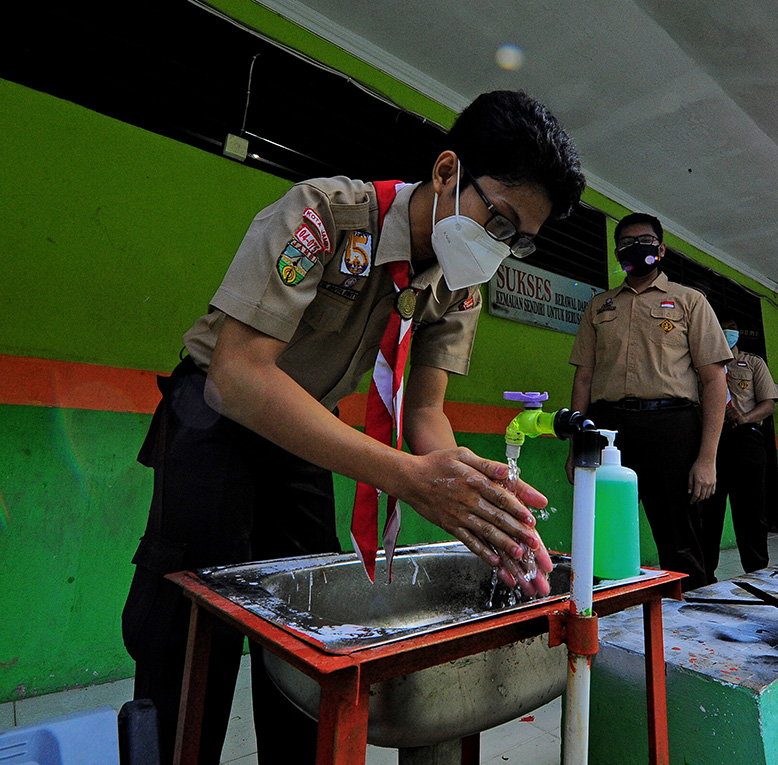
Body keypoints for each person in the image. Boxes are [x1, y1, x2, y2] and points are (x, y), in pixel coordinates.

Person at [121, 90, 585, 765]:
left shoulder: (459, 284)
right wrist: (407, 476)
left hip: (306, 434)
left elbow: (425, 412)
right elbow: (241, 373)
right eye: (501, 220)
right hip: (213, 423)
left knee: (308, 641)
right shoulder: (325, 215)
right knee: (191, 640)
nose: (500, 247)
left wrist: (476, 500)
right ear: (449, 171)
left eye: (519, 240)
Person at [566, 213, 731, 590]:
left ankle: (696, 628)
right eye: (625, 243)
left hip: (672, 429)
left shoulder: (691, 301)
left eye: (644, 241)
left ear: (661, 248)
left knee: (681, 539)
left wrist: (707, 458)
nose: (635, 248)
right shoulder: (599, 307)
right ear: (616, 252)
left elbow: (713, 381)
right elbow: (584, 379)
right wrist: (577, 446)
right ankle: (604, 620)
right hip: (607, 431)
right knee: (602, 532)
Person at [699, 318, 778, 580]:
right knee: (707, 513)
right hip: (711, 442)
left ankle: (757, 573)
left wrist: (745, 418)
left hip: (746, 440)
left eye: (729, 330)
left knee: (751, 512)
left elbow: (769, 403)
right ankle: (704, 576)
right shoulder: (701, 364)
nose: (726, 334)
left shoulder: (752, 362)